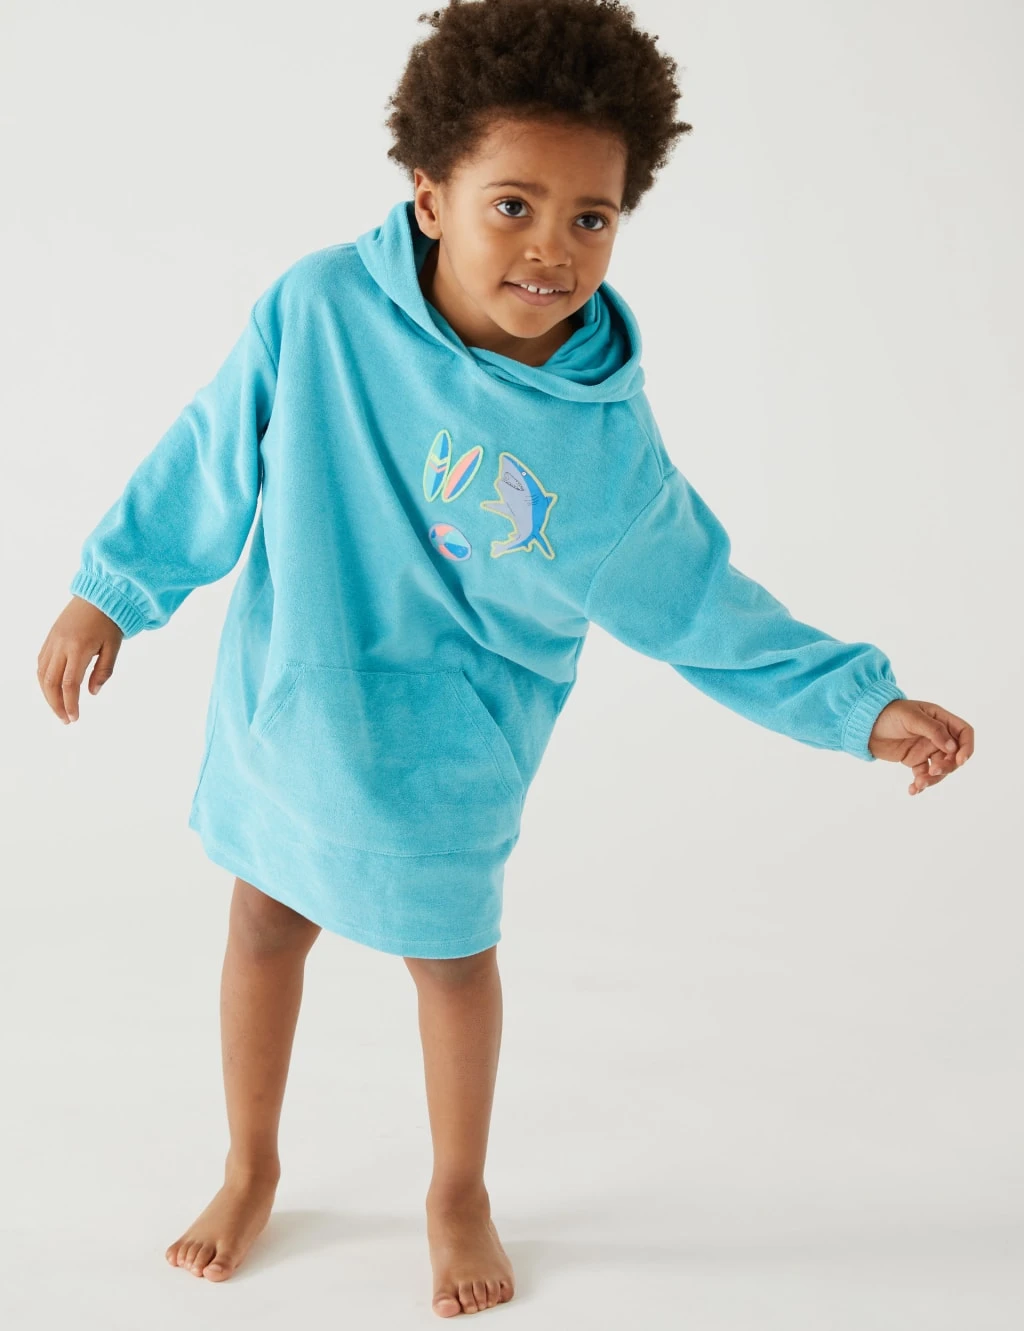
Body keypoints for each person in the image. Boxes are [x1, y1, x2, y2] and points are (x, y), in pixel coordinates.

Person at [35, 0, 974, 1317]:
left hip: (450, 751)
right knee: (261, 922)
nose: (552, 249)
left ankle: (457, 1188)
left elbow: (699, 601)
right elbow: (211, 451)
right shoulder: (319, 312)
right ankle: (250, 1165)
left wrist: (859, 708)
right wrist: (112, 593)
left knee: (452, 966)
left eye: (592, 218)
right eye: (514, 206)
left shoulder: (601, 439)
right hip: (293, 706)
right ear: (431, 197)